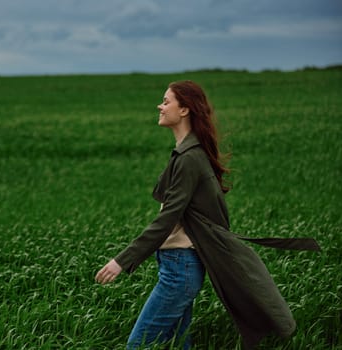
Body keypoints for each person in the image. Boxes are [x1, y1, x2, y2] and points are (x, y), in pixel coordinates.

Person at [95, 81, 320, 349]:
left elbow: (166, 220)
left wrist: (121, 261)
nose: (160, 105)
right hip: (179, 266)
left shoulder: (190, 157)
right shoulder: (187, 153)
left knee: (138, 344)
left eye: (166, 101)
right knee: (180, 344)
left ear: (184, 110)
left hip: (180, 270)